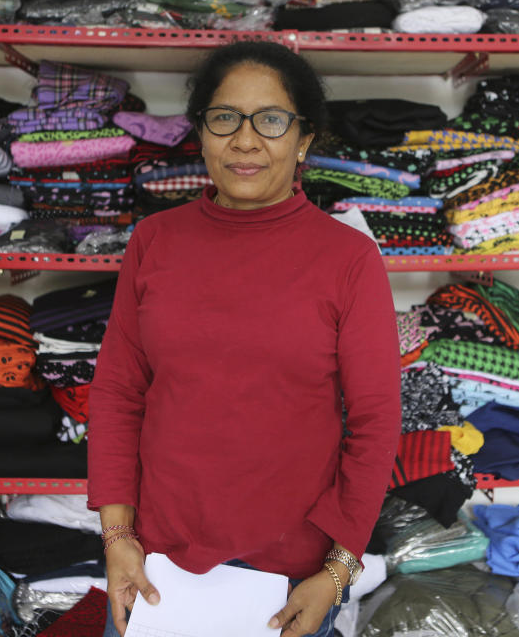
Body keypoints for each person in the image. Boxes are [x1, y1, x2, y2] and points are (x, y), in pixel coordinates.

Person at [88, 40, 401, 637]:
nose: (246, 140)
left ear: (304, 138)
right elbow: (118, 394)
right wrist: (118, 538)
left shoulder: (348, 258)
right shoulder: (155, 242)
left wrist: (337, 572)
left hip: (290, 579)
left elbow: (376, 420)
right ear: (202, 133)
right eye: (225, 118)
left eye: (272, 120)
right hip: (158, 570)